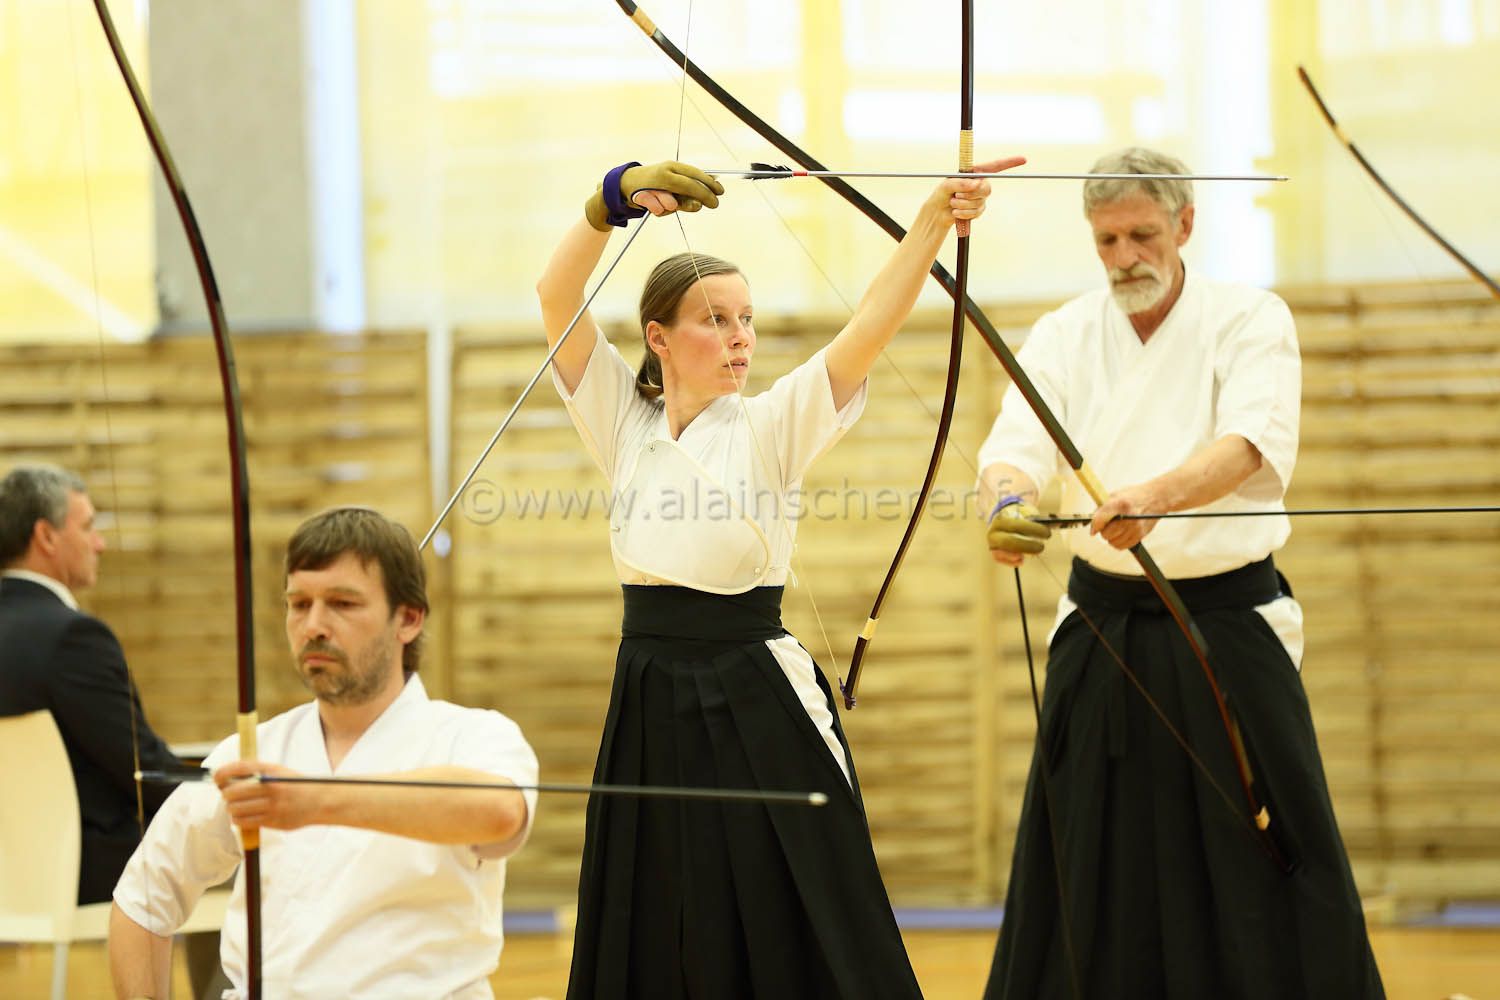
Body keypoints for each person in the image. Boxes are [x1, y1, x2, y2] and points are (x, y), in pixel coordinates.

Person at [538, 155, 1019, 999]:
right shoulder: (621, 421)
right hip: (648, 691)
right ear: (658, 338)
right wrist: (612, 198)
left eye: (747, 320)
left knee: (799, 909)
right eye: (714, 319)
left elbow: (870, 323)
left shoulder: (770, 424)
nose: (740, 338)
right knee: (657, 912)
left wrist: (933, 221)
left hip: (756, 693)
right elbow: (555, 294)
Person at [976, 147, 1383, 998]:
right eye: (1107, 239)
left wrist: (1155, 498)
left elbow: (1249, 443)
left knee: (1266, 837)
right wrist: (1006, 505)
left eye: (1142, 235)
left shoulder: (1250, 317)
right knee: (1085, 847)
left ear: (1185, 224)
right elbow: (1015, 446)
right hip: (1103, 623)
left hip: (1226, 626)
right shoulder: (1064, 333)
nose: (1125, 257)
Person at [109, 507, 539, 999]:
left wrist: (313, 800)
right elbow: (144, 897)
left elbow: (499, 812)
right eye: (299, 604)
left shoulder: (474, 735)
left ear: (408, 618)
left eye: (342, 603)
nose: (314, 625)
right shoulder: (254, 750)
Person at [0, 464, 181, 904]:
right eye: (88, 527)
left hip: (12, 881)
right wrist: (226, 793)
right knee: (252, 870)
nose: (99, 544)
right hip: (85, 880)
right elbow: (141, 771)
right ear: (46, 536)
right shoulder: (73, 638)